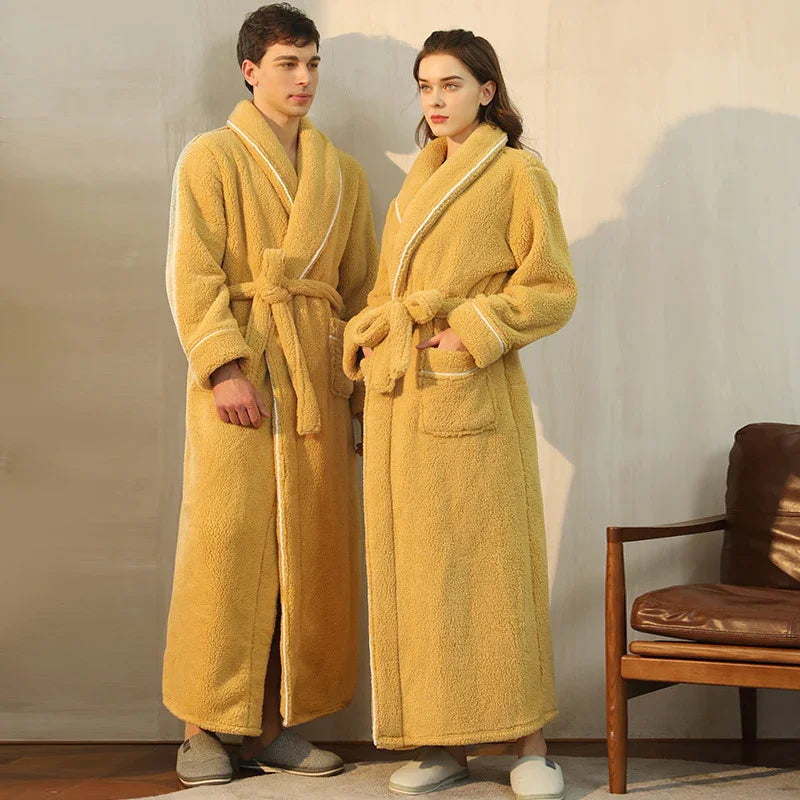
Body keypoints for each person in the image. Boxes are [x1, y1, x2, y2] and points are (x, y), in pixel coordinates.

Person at [343, 28, 577, 800]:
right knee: (422, 577)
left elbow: (551, 289)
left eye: (451, 84)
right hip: (405, 404)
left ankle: (531, 743)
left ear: (486, 88)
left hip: (471, 395)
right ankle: (441, 744)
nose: (436, 100)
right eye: (425, 86)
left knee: (493, 569)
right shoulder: (416, 184)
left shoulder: (517, 172)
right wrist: (374, 341)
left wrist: (467, 333)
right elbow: (385, 289)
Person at [163, 3, 377, 787]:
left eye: (313, 63)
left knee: (305, 562)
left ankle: (276, 727)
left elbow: (358, 290)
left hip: (315, 380)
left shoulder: (343, 176)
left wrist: (356, 394)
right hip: (244, 371)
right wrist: (223, 367)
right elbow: (194, 273)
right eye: (289, 64)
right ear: (251, 70)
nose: (305, 79)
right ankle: (201, 728)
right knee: (225, 553)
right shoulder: (211, 158)